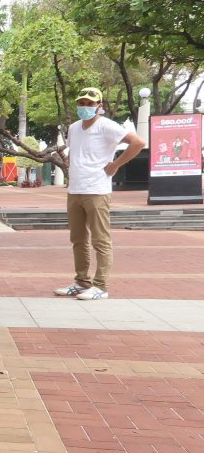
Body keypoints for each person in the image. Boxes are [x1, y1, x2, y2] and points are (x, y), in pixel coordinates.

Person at [53, 87, 145, 301]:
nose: (85, 107)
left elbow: (139, 142)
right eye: (81, 103)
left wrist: (116, 165)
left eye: (90, 104)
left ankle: (100, 286)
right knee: (78, 239)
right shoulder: (74, 128)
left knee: (100, 240)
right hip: (75, 190)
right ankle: (81, 282)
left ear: (99, 106)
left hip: (97, 190)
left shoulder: (107, 126)